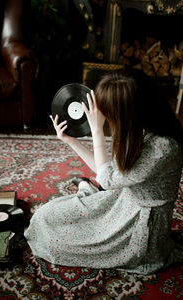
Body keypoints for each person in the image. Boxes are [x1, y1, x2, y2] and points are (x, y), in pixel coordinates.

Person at [24, 69, 183, 274]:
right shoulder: (138, 129)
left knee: (54, 236)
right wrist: (70, 140)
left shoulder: (163, 147)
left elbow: (106, 180)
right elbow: (105, 172)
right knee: (44, 216)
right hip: (123, 200)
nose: (106, 119)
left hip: (141, 224)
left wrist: (96, 130)